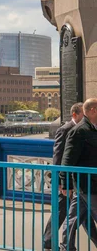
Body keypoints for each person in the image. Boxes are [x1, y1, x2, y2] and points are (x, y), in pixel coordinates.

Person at [43, 102, 94, 249]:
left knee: (83, 217)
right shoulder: (65, 129)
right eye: (82, 115)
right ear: (75, 115)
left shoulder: (86, 130)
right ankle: (48, 241)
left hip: (80, 182)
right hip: (68, 182)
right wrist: (60, 180)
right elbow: (58, 156)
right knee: (61, 212)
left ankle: (65, 245)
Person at [60, 98, 97, 251]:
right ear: (93, 110)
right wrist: (66, 184)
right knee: (73, 218)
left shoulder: (92, 129)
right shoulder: (79, 131)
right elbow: (67, 160)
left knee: (73, 218)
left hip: (87, 185)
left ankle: (66, 247)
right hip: (88, 184)